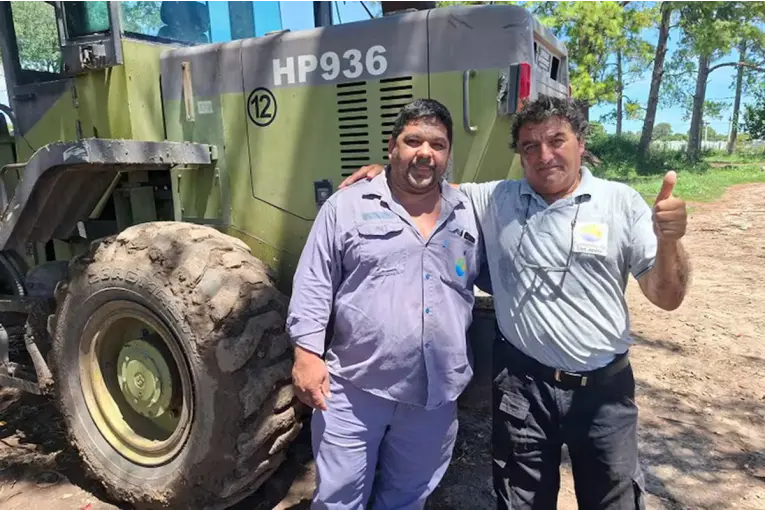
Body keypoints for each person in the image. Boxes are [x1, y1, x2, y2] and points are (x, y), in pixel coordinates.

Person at [338, 95, 690, 509]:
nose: (544, 156)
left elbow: (667, 297)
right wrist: (385, 174)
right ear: (520, 156)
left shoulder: (620, 202)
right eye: (530, 146)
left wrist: (670, 242)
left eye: (556, 141)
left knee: (613, 502)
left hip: (603, 395)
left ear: (580, 143)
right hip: (523, 388)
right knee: (521, 501)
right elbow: (424, 184)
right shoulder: (494, 199)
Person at [286, 98, 486, 509]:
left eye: (438, 144)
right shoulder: (346, 206)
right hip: (355, 390)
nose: (425, 153)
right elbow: (314, 281)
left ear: (448, 153)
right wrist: (306, 353)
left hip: (434, 397)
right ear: (393, 146)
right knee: (338, 499)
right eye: (413, 141)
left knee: (408, 498)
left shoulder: (468, 212)